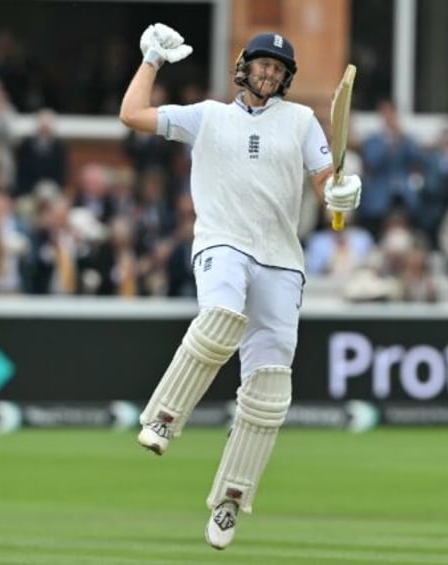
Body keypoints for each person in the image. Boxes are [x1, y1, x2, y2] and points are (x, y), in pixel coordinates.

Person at [118, 23, 362, 550]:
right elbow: (131, 115)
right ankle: (164, 417)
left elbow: (325, 181)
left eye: (278, 69)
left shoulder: (300, 121)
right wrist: (152, 62)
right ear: (244, 68)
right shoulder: (208, 116)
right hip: (222, 242)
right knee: (221, 317)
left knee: (270, 389)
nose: (269, 74)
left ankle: (229, 500)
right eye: (262, 65)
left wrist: (342, 192)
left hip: (281, 261)